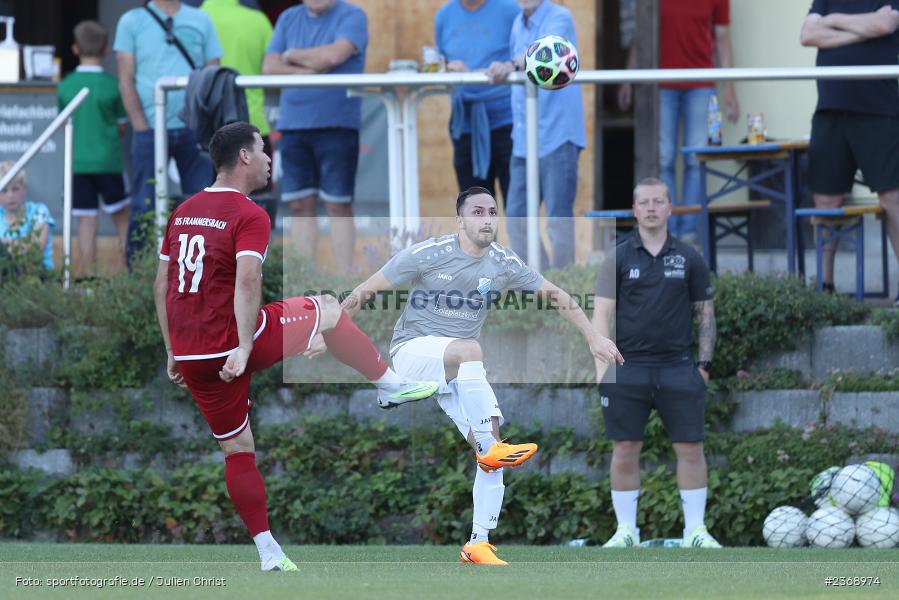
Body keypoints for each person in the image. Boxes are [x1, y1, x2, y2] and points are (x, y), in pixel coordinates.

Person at [153, 122, 439, 572]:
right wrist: (245, 347)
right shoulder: (250, 215)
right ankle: (389, 385)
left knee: (238, 449)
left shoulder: (183, 210)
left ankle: (269, 552)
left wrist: (171, 349)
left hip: (191, 355)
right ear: (245, 158)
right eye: (264, 151)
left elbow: (162, 283)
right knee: (326, 307)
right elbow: (248, 280)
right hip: (231, 342)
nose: (270, 159)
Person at [338, 186, 623, 565]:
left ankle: (478, 543)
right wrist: (328, 331)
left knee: (491, 445)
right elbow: (366, 291)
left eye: (492, 212)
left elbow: (555, 295)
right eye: (477, 212)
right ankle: (395, 388)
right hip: (412, 353)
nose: (487, 219)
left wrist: (592, 338)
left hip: (458, 370)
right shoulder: (429, 253)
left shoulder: (503, 262)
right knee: (472, 356)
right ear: (460, 220)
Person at [593, 177, 720, 549]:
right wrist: (603, 369)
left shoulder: (690, 256)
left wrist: (704, 367)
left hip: (679, 368)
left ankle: (695, 531)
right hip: (627, 368)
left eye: (658, 201)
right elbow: (600, 316)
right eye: (644, 202)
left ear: (669, 208)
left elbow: (706, 316)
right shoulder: (617, 255)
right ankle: (626, 532)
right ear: (634, 210)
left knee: (691, 448)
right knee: (625, 448)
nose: (651, 208)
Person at [800, 1, 899, 302]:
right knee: (826, 198)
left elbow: (886, 26)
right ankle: (826, 288)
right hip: (830, 107)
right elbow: (807, 35)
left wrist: (833, 23)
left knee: (893, 197)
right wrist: (862, 27)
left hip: (879, 108)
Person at [618, 0, 739, 243]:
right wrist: (627, 77)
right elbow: (640, 37)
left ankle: (689, 233)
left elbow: (723, 40)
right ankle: (666, 231)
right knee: (663, 160)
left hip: (702, 85)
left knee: (696, 160)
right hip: (660, 86)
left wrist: (729, 89)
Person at [262, 0, 368, 275]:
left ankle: (346, 277)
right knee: (299, 205)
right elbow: (269, 67)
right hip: (294, 124)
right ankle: (302, 278)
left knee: (337, 203)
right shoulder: (288, 17)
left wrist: (293, 53)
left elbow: (332, 57)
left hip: (337, 123)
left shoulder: (353, 15)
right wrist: (309, 70)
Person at [114, 0, 222, 266]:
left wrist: (205, 124)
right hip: (149, 130)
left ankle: (202, 274)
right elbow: (125, 79)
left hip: (194, 130)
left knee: (203, 207)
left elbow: (213, 75)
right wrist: (140, 125)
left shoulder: (202, 19)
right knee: (143, 206)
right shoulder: (131, 20)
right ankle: (138, 277)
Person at [486, 0, 586, 270]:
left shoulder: (560, 16)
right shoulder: (519, 22)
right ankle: (540, 284)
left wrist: (508, 65)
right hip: (524, 139)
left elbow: (545, 53)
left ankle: (563, 284)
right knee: (517, 217)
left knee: (557, 219)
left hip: (557, 133)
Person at [58, 20, 130, 276]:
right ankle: (125, 274)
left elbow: (63, 124)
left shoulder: (65, 86)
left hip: (77, 163)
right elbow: (123, 126)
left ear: (75, 49)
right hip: (109, 162)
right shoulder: (113, 86)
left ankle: (88, 281)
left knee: (85, 221)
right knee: (122, 218)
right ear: (106, 50)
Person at [435, 0, 519, 204]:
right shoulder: (444, 15)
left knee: (518, 209)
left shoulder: (510, 10)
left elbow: (523, 59)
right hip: (464, 124)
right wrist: (447, 69)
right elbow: (441, 61)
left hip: (508, 122)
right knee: (475, 211)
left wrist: (472, 73)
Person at [200, 0, 275, 195]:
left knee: (211, 207)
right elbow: (272, 68)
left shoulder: (196, 17)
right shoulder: (258, 20)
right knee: (259, 205)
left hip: (210, 126)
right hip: (253, 124)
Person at [0, 162, 55, 271]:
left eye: (15, 189)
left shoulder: (39, 211)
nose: (10, 195)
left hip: (39, 277)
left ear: (24, 189)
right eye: (4, 190)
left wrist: (3, 244)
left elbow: (35, 251)